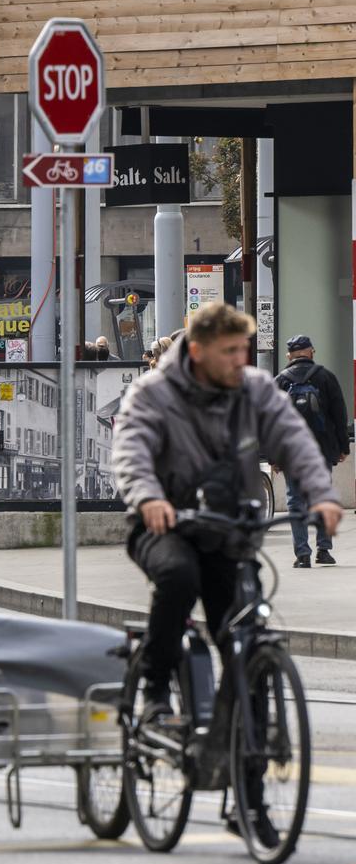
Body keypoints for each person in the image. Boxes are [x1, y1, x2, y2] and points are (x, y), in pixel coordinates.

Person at [111, 303, 341, 742]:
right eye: (229, 351)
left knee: (243, 628)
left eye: (243, 349)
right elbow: (132, 452)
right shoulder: (153, 394)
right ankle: (155, 691)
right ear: (197, 352)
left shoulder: (253, 387)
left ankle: (245, 755)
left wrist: (322, 494)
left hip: (227, 526)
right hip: (165, 524)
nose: (241, 360)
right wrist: (150, 498)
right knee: (178, 577)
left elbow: (293, 439)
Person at [275, 333, 351, 568]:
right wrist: (343, 446)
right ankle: (324, 550)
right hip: (321, 450)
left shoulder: (280, 381)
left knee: (295, 501)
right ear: (311, 352)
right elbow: (339, 414)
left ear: (289, 355)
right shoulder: (326, 377)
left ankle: (302, 554)